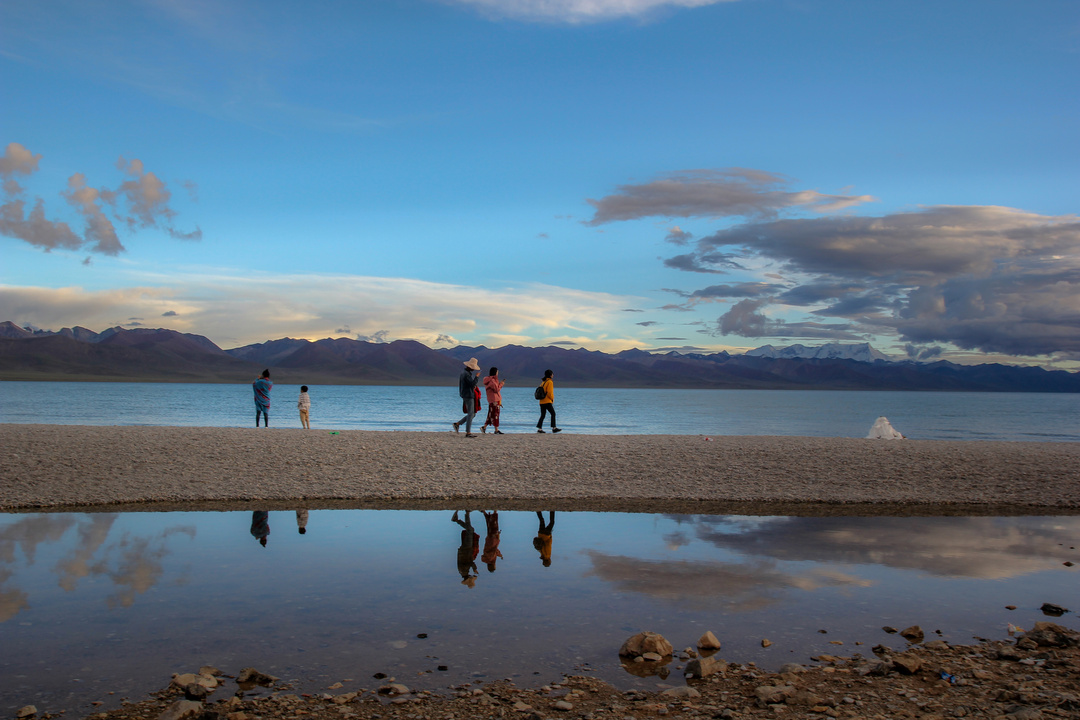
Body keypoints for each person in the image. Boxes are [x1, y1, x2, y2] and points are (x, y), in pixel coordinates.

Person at [453, 358, 481, 438]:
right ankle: (468, 432)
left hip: (466, 394)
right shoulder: (467, 374)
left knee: (472, 414)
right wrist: (477, 377)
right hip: (468, 395)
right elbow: (472, 384)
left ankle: (458, 424)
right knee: (471, 413)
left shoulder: (464, 373)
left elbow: (469, 384)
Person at [452, 510, 479, 587]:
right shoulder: (462, 572)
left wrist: (474, 568)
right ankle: (458, 519)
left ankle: (467, 513)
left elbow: (470, 562)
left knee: (470, 530)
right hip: (464, 550)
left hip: (466, 550)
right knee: (470, 530)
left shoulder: (464, 571)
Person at [480, 367, 505, 434]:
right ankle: (496, 429)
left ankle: (484, 427)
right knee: (496, 414)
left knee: (491, 414)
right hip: (494, 399)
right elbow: (496, 390)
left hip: (492, 399)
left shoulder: (490, 380)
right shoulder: (492, 381)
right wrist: (501, 384)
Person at [536, 369, 560, 433]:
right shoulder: (550, 382)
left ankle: (539, 429)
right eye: (552, 374)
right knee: (553, 413)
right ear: (550, 375)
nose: (553, 375)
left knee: (543, 415)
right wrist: (552, 399)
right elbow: (549, 392)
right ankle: (554, 428)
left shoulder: (543, 382)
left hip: (541, 401)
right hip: (547, 401)